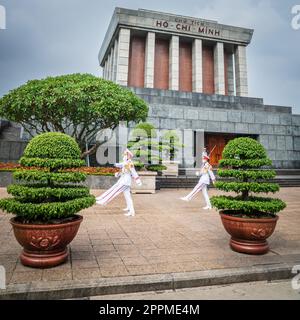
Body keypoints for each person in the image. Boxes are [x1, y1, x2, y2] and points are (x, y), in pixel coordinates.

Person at [96, 148, 142, 217]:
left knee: (115, 191)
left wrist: (138, 181)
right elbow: (121, 167)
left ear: (128, 156)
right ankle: (131, 211)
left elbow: (133, 172)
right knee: (127, 197)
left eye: (125, 154)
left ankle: (104, 201)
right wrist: (117, 171)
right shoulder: (125, 163)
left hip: (125, 182)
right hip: (123, 180)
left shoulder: (130, 163)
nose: (124, 156)